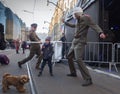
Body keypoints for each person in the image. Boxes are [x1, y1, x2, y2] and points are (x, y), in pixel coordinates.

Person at [62, 7, 106, 86]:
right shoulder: (77, 20)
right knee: (69, 56)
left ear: (77, 13)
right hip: (74, 41)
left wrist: (100, 32)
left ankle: (88, 79)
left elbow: (94, 25)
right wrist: (65, 22)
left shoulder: (85, 18)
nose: (73, 15)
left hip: (80, 41)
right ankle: (73, 72)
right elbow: (73, 25)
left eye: (74, 14)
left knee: (78, 59)